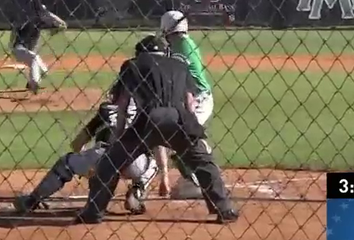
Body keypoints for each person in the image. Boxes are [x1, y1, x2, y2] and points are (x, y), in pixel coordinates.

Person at [73, 34, 238, 225]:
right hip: (180, 120)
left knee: (110, 163)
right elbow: (190, 102)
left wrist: (119, 136)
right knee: (204, 162)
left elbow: (123, 103)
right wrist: (192, 131)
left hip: (149, 120)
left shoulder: (132, 65)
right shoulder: (180, 65)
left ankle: (93, 213)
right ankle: (225, 209)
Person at [12, 37, 161, 216]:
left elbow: (77, 143)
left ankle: (32, 200)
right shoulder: (149, 109)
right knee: (154, 162)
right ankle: (137, 190)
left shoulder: (107, 109)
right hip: (135, 161)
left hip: (103, 158)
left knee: (66, 163)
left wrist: (84, 160)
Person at [157, 10, 219, 206]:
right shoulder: (180, 44)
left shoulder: (182, 46)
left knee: (186, 137)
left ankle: (198, 182)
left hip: (198, 99)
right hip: (190, 98)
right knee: (180, 138)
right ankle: (193, 178)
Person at [10, 2, 67, 94]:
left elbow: (56, 21)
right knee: (34, 58)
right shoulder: (30, 21)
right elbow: (15, 29)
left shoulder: (40, 22)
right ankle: (34, 83)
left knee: (44, 72)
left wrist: (60, 25)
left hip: (27, 51)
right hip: (18, 49)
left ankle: (30, 83)